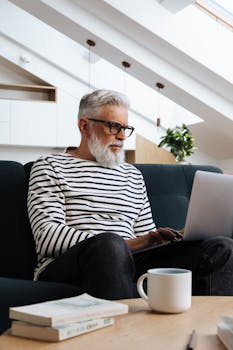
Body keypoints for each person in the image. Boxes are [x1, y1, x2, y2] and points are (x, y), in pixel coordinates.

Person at [28, 89, 233, 299]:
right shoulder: (50, 166)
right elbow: (48, 237)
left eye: (125, 128)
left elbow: (145, 235)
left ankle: (209, 329)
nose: (122, 136)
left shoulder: (132, 175)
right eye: (113, 126)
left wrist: (167, 239)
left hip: (129, 258)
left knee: (220, 247)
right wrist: (127, 244)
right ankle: (125, 331)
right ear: (84, 125)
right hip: (74, 263)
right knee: (110, 245)